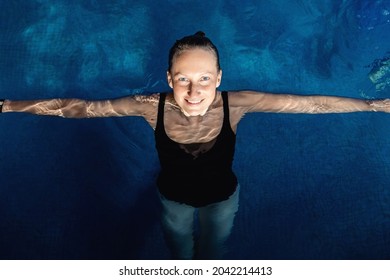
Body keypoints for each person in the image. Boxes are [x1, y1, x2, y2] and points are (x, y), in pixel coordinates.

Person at [1, 31, 390, 259]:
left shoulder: (236, 104)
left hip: (223, 199)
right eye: (183, 79)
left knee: (211, 254)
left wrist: (373, 106)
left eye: (204, 79)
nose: (193, 91)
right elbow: (79, 109)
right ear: (169, 78)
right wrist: (6, 106)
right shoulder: (148, 107)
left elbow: (310, 104)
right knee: (180, 254)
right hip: (172, 199)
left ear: (218, 78)